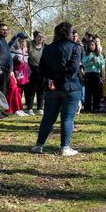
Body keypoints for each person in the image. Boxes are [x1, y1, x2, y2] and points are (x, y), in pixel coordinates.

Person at [32, 22, 82, 156]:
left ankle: (39, 145)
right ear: (68, 33)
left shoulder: (48, 48)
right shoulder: (75, 48)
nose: (73, 35)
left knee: (48, 118)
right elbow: (72, 69)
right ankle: (65, 148)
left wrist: (50, 80)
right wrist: (59, 82)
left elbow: (41, 68)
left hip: (52, 88)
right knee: (67, 118)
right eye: (72, 32)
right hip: (70, 87)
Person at [81, 39, 106, 112]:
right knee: (88, 92)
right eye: (90, 45)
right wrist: (91, 61)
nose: (91, 46)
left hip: (96, 74)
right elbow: (84, 64)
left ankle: (96, 107)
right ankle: (87, 108)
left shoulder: (98, 54)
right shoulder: (86, 54)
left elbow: (102, 64)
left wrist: (97, 61)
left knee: (97, 92)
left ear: (95, 46)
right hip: (88, 74)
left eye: (93, 45)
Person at [9, 33, 30, 117]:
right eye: (22, 38)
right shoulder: (13, 47)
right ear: (18, 39)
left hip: (24, 71)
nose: (23, 40)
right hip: (16, 71)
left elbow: (26, 59)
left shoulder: (25, 48)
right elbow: (10, 57)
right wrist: (17, 58)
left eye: (24, 39)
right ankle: (15, 109)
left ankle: (19, 108)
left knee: (21, 89)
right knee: (16, 90)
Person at [24, 31, 45, 115]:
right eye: (39, 36)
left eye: (42, 37)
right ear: (35, 37)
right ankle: (29, 108)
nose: (41, 38)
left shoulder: (45, 46)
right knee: (31, 90)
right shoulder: (29, 44)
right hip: (31, 69)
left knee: (41, 90)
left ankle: (40, 108)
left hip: (42, 70)